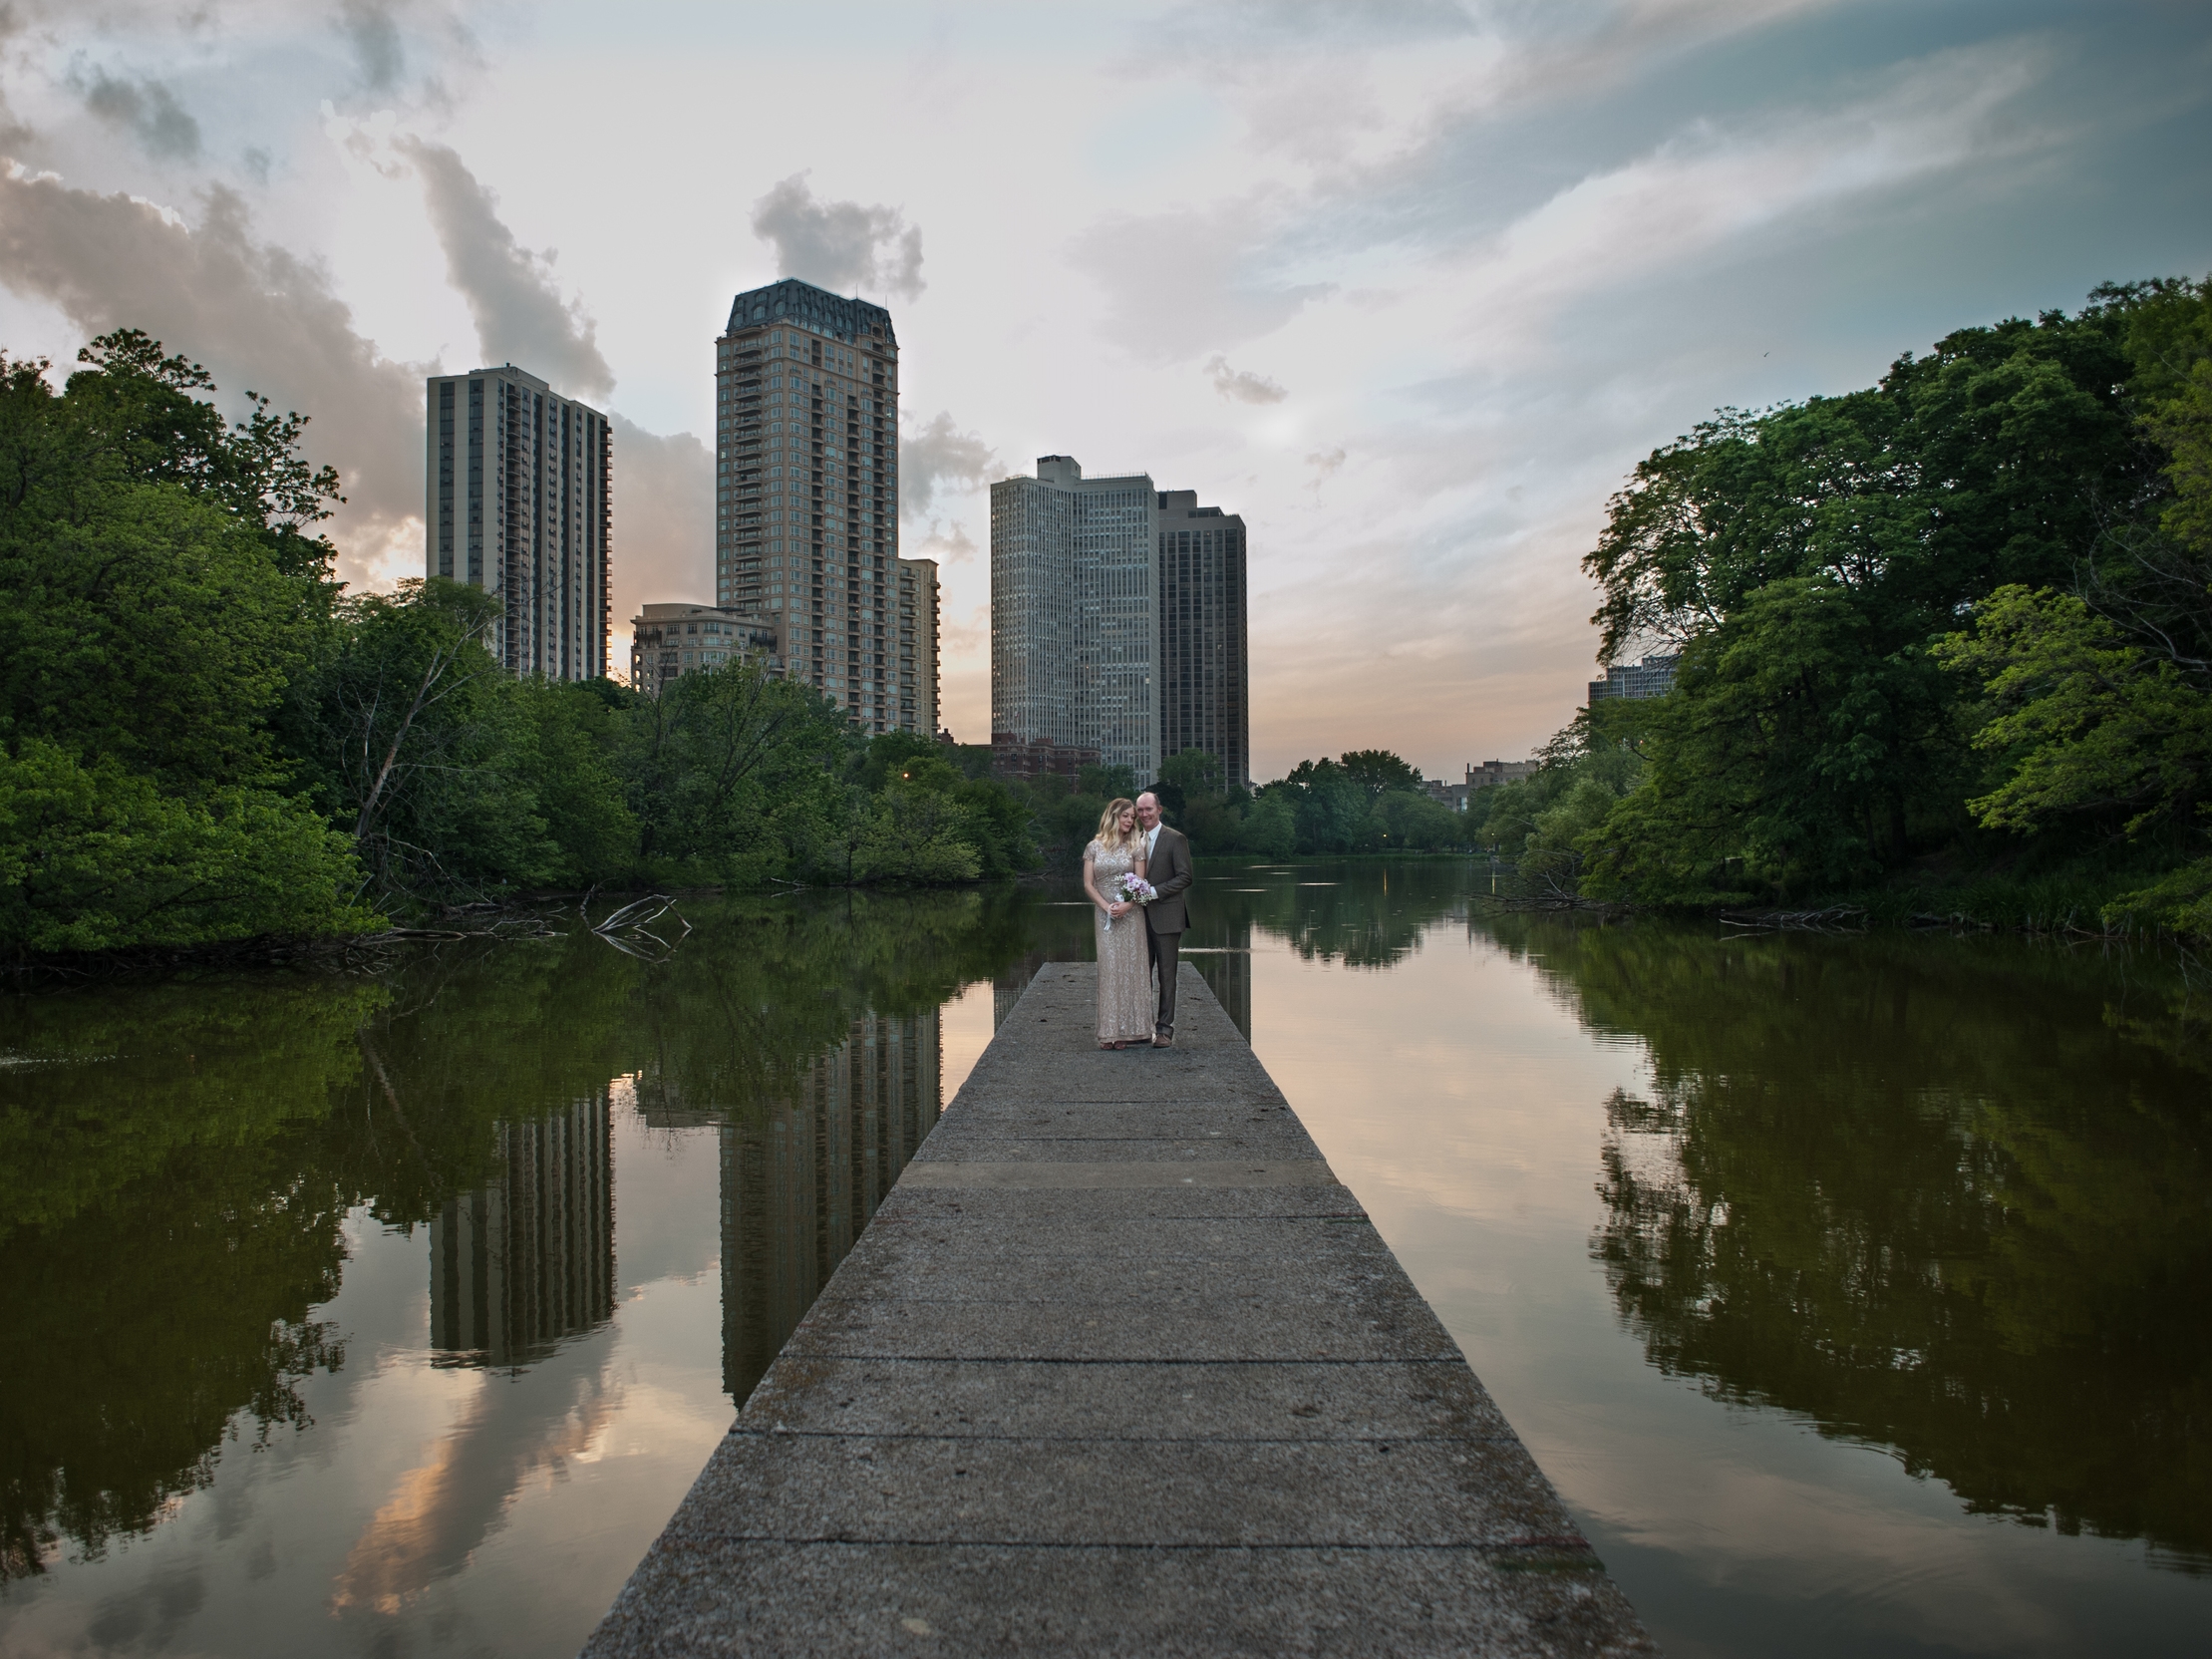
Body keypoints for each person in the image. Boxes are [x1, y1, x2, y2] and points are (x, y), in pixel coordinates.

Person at [1082, 798, 1153, 1049]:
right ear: (1113, 816)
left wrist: (1126, 905)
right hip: (1105, 916)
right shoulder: (1094, 847)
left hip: (1131, 916)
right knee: (1110, 969)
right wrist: (1106, 907)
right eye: (1126, 816)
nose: (1130, 820)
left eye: (1132, 817)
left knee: (1131, 970)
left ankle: (1130, 1031)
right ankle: (1109, 1031)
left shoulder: (1136, 846)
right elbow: (1088, 884)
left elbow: (1141, 884)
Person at [1133, 790, 1193, 1048]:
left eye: (1149, 809)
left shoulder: (1175, 839)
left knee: (1167, 975)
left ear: (1159, 810)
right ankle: (1141, 1027)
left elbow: (1185, 877)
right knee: (1139, 974)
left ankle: (1165, 1030)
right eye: (1140, 810)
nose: (1144, 814)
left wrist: (1154, 892)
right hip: (1137, 919)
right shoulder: (1135, 840)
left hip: (1167, 916)